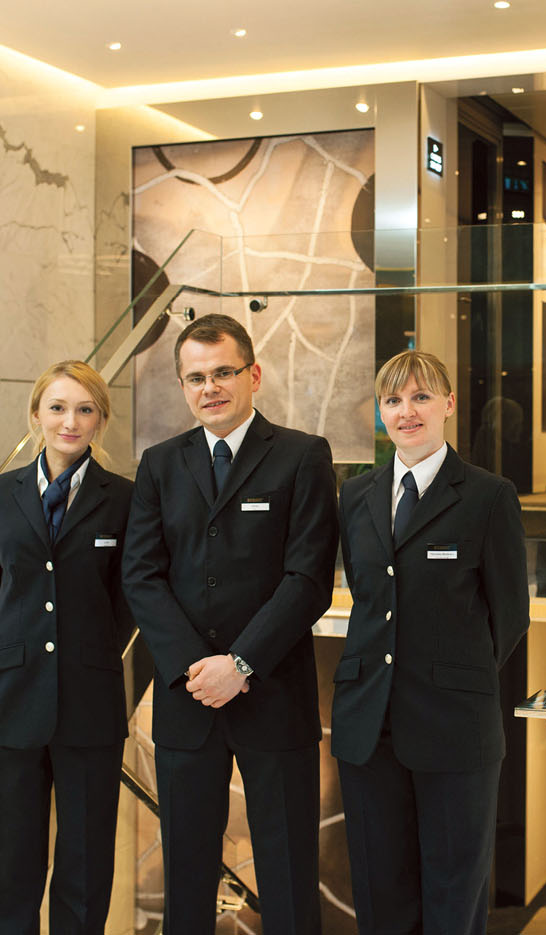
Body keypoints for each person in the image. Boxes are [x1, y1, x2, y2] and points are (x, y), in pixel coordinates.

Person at [123, 313, 338, 935]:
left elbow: (308, 579)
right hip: (189, 700)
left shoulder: (302, 456)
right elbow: (141, 575)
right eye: (196, 377)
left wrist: (240, 665)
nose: (210, 387)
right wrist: (199, 668)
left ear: (253, 375)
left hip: (272, 693)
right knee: (186, 871)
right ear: (183, 387)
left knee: (289, 871)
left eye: (223, 372)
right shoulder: (159, 464)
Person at [332, 349, 530, 935]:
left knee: (453, 895)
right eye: (393, 400)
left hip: (454, 727)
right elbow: (370, 599)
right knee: (380, 893)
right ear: (380, 413)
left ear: (448, 405)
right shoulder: (355, 496)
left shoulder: (488, 497)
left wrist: (452, 677)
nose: (406, 411)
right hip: (370, 724)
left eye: (420, 397)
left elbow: (510, 617)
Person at [0, 360, 133, 935]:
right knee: (7, 861)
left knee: (86, 862)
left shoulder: (125, 499)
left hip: (89, 700)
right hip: (12, 698)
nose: (71, 421)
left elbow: (124, 601)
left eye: (85, 409)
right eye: (59, 407)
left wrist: (83, 654)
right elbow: (2, 587)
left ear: (100, 420)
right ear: (36, 414)